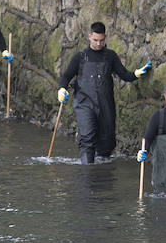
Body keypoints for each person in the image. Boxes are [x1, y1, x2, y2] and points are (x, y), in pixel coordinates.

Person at [58, 22, 151, 164]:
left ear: (105, 37)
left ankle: (102, 173)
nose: (98, 43)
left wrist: (137, 74)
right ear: (90, 37)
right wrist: (62, 89)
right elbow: (66, 76)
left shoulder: (111, 56)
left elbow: (125, 75)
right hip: (84, 103)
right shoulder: (80, 57)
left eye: (101, 40)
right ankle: (87, 170)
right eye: (95, 40)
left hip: (105, 104)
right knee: (87, 138)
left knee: (106, 141)